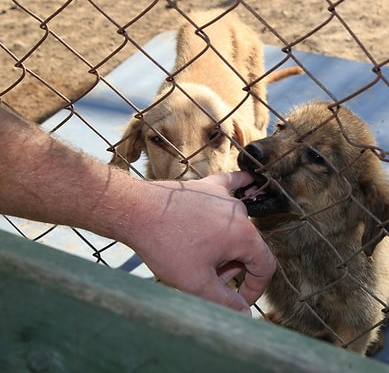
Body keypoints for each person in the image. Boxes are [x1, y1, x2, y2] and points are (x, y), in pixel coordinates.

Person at [0, 107, 275, 316]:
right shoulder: (148, 122)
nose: (189, 173)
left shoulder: (238, 127)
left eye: (215, 137)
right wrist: (145, 209)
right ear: (135, 144)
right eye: (159, 140)